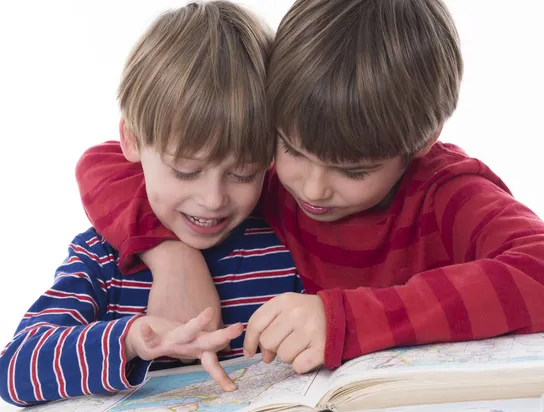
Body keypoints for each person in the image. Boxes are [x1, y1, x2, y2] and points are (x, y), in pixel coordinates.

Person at [75, 0, 544, 375]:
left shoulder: (446, 193)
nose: (314, 189)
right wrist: (173, 257)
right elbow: (103, 163)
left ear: (423, 139)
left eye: (354, 171)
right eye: (292, 149)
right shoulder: (265, 181)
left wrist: (349, 319)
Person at [0, 1, 305, 407]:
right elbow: (16, 370)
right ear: (132, 140)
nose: (213, 200)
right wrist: (131, 339)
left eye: (243, 174)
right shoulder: (103, 258)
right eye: (185, 170)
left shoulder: (288, 239)